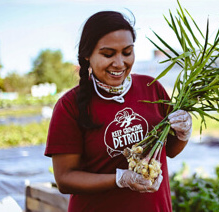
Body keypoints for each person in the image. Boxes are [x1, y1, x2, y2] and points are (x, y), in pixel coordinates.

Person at [44, 11, 192, 212]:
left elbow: (170, 151)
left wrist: (183, 133)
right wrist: (120, 178)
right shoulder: (69, 105)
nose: (120, 63)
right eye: (108, 54)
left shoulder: (151, 87)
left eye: (127, 52)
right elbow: (65, 179)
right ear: (87, 55)